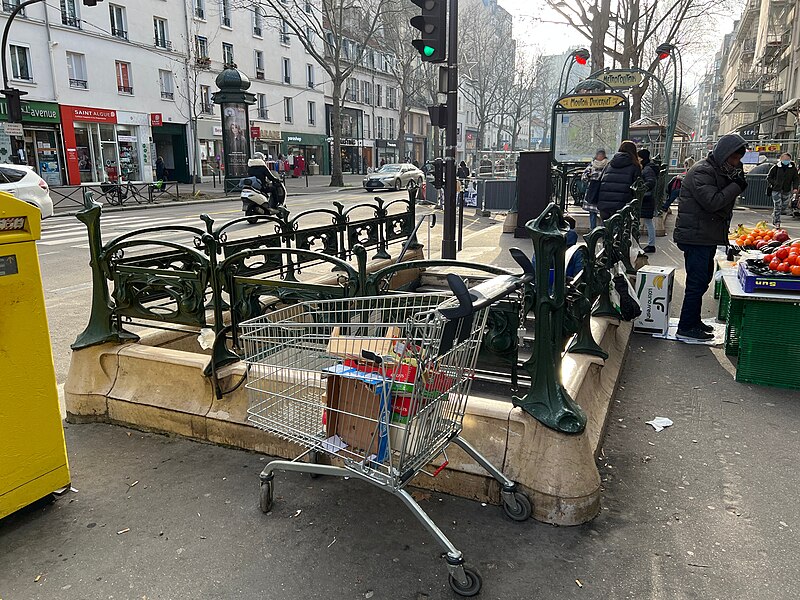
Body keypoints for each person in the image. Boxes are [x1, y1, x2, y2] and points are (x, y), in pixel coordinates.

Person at [673, 133, 748, 342]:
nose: (736, 163)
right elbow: (713, 202)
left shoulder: (718, 170)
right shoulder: (702, 171)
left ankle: (693, 321)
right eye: (733, 159)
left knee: (703, 279)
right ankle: (686, 326)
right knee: (697, 282)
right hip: (695, 236)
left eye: (738, 159)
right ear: (724, 155)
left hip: (704, 235)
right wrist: (736, 186)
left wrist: (734, 179)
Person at [597, 140, 642, 220]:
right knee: (620, 230)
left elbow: (600, 180)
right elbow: (637, 186)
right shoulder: (634, 166)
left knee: (606, 229)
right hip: (622, 204)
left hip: (604, 204)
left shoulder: (610, 164)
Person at [767, 152, 800, 228]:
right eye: (784, 159)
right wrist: (775, 183)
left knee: (784, 205)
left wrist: (795, 188)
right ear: (781, 159)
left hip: (786, 189)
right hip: (776, 189)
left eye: (787, 159)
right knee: (777, 205)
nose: (786, 161)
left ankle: (775, 214)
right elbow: (769, 177)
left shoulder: (792, 169)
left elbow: (796, 179)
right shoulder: (776, 167)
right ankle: (777, 222)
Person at [637, 148, 659, 253]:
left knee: (648, 222)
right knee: (647, 222)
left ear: (641, 158)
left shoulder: (647, 169)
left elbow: (650, 182)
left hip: (646, 199)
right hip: (648, 198)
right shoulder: (649, 167)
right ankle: (651, 244)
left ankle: (651, 244)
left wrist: (641, 190)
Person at [581, 149, 608, 229]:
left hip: (602, 192)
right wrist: (588, 175)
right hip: (593, 191)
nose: (600, 156)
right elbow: (583, 177)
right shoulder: (591, 165)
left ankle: (603, 229)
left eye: (601, 155)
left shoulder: (607, 165)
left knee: (603, 212)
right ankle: (593, 230)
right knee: (592, 213)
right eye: (599, 155)